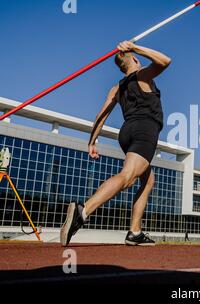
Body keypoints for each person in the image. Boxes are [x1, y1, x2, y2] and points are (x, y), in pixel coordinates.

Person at [60, 41, 171, 247]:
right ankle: (82, 211)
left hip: (127, 132)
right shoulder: (142, 75)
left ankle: (135, 232)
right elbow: (165, 61)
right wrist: (136, 47)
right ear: (136, 60)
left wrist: (92, 141)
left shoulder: (116, 88)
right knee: (128, 176)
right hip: (145, 129)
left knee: (147, 181)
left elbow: (100, 115)